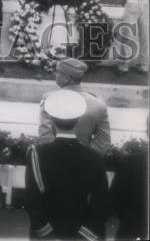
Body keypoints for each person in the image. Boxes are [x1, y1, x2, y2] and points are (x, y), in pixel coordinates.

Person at [25, 89, 110, 241]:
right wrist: (83, 236)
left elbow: (33, 199)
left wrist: (47, 234)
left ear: (51, 120)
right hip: (81, 231)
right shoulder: (95, 157)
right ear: (78, 121)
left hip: (46, 234)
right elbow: (101, 203)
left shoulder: (36, 154)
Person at [38, 58, 111, 153]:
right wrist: (87, 159)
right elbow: (103, 142)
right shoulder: (99, 103)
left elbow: (45, 136)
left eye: (58, 72)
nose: (55, 75)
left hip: (55, 161)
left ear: (66, 78)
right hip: (86, 162)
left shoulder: (49, 99)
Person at [109, 118, 149, 241]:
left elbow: (115, 198)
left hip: (131, 225)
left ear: (147, 131)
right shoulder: (130, 161)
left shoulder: (130, 161)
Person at [116, 0, 149, 75]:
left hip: (146, 6)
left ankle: (144, 64)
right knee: (127, 34)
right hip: (131, 4)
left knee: (145, 36)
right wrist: (125, 4)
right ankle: (124, 64)